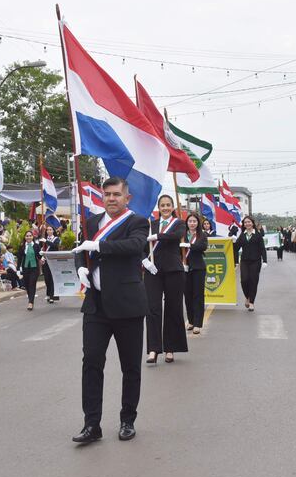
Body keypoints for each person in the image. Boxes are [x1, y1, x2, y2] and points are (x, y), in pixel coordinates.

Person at [71, 177, 149, 443]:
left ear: (127, 198)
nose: (111, 199)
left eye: (116, 194)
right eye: (107, 194)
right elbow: (80, 250)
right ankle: (92, 424)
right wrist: (80, 266)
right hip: (96, 305)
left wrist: (99, 245)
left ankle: (127, 420)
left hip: (128, 305)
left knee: (130, 367)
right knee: (91, 363)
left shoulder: (137, 222)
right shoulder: (91, 223)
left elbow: (134, 246)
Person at [143, 195, 188, 364]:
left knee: (173, 309)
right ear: (158, 207)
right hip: (153, 271)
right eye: (162, 205)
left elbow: (177, 236)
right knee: (152, 309)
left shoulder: (179, 223)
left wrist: (157, 236)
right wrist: (144, 261)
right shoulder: (150, 224)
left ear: (173, 206)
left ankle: (170, 348)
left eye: (168, 205)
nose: (165, 208)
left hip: (173, 271)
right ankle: (153, 349)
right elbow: (141, 244)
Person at [234, 215, 268, 311]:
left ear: (252, 223)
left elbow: (262, 248)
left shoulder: (258, 235)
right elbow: (236, 248)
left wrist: (265, 260)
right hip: (244, 261)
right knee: (244, 280)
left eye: (249, 222)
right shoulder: (242, 235)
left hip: (255, 261)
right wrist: (233, 242)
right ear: (244, 224)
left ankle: (251, 302)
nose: (247, 224)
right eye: (245, 222)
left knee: (253, 281)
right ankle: (247, 296)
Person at [183, 213, 208, 335]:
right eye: (190, 221)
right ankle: (191, 321)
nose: (192, 223)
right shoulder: (182, 235)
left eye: (194, 221)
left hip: (198, 268)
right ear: (187, 223)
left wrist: (190, 245)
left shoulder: (202, 235)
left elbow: (202, 247)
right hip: (185, 268)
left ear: (198, 223)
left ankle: (198, 323)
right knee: (188, 295)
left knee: (198, 296)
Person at [16, 231, 42, 311]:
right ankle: (30, 298)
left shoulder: (36, 246)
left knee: (32, 284)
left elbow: (39, 256)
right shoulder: (22, 246)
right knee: (27, 285)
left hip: (34, 268)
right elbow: (19, 258)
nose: (28, 237)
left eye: (30, 236)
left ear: (32, 237)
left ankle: (31, 302)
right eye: (27, 236)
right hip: (25, 268)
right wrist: (18, 269)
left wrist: (42, 257)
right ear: (25, 237)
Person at [39, 225, 60, 303]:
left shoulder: (56, 239)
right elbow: (40, 249)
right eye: (47, 230)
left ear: (53, 231)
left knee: (52, 279)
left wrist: (46, 241)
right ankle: (48, 294)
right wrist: (41, 255)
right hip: (45, 261)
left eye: (50, 229)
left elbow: (55, 246)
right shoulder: (44, 239)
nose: (49, 231)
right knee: (47, 278)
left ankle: (52, 296)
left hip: (53, 261)